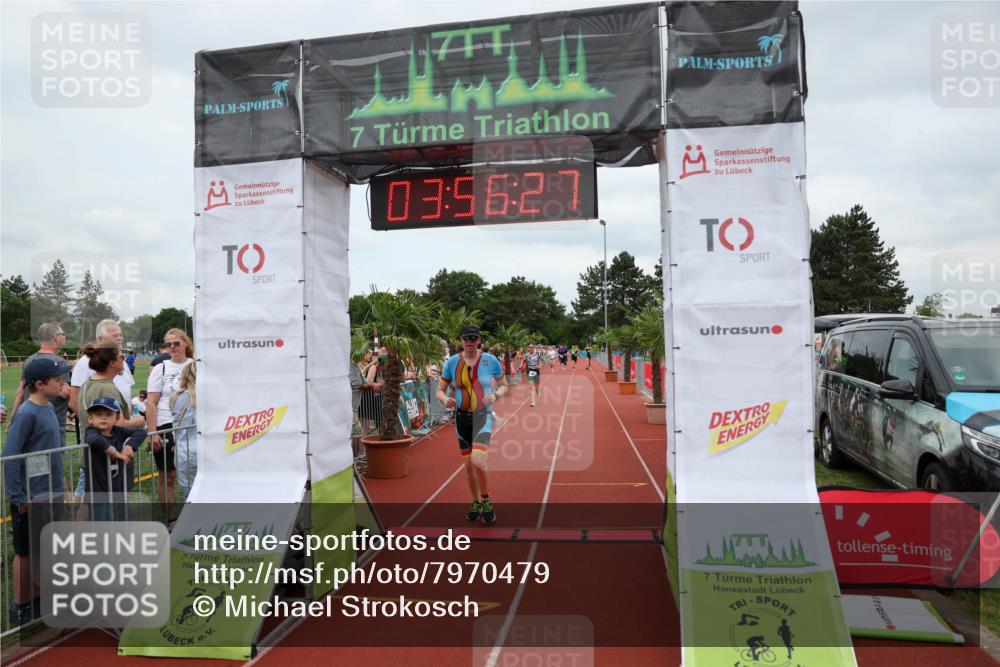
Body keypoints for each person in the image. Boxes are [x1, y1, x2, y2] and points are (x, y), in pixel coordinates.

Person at [2, 357, 69, 626]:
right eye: (58, 380)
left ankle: (40, 600)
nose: (63, 383)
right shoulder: (26, 414)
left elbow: (53, 455)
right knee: (25, 551)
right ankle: (21, 605)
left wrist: (62, 485)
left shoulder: (49, 408)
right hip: (30, 496)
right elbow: (10, 457)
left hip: (50, 492)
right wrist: (19, 497)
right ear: (40, 385)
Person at [436, 325, 507, 525]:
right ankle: (476, 501)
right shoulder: (452, 362)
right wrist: (444, 399)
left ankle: (486, 500)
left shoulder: (490, 361)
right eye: (466, 337)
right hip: (461, 419)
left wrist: (494, 395)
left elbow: (504, 385)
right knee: (468, 467)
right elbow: (440, 390)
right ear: (461, 340)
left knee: (478, 460)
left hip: (482, 417)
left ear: (478, 340)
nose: (469, 341)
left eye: (473, 338)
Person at [69, 319, 135, 498]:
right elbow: (74, 401)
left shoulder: (120, 361)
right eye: (115, 335)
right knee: (88, 492)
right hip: (103, 439)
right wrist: (97, 428)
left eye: (121, 334)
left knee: (116, 490)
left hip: (119, 437)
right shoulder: (86, 363)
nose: (119, 338)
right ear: (100, 337)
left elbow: (126, 395)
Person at [146, 329, 194, 519]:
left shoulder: (196, 365)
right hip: (166, 425)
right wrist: (153, 433)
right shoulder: (161, 368)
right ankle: (171, 518)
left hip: (191, 426)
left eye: (176, 343)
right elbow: (151, 403)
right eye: (168, 344)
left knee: (194, 471)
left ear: (185, 344)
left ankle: (194, 514)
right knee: (168, 476)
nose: (172, 347)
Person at [8, 323, 71, 448]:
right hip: (53, 423)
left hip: (29, 421)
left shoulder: (29, 360)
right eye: (63, 334)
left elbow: (20, 392)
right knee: (52, 462)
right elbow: (65, 393)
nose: (64, 337)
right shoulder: (59, 362)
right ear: (56, 338)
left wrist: (13, 420)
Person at [83, 397, 146, 521]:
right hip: (98, 492)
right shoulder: (91, 432)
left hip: (117, 489)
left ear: (117, 418)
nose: (103, 417)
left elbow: (141, 432)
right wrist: (114, 452)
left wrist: (129, 446)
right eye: (98, 414)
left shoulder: (118, 431)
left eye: (108, 414)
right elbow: (94, 440)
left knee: (121, 519)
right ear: (90, 419)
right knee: (101, 524)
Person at [169, 363, 197, 502]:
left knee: (189, 496)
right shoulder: (203, 398)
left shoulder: (176, 397)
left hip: (183, 451)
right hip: (201, 451)